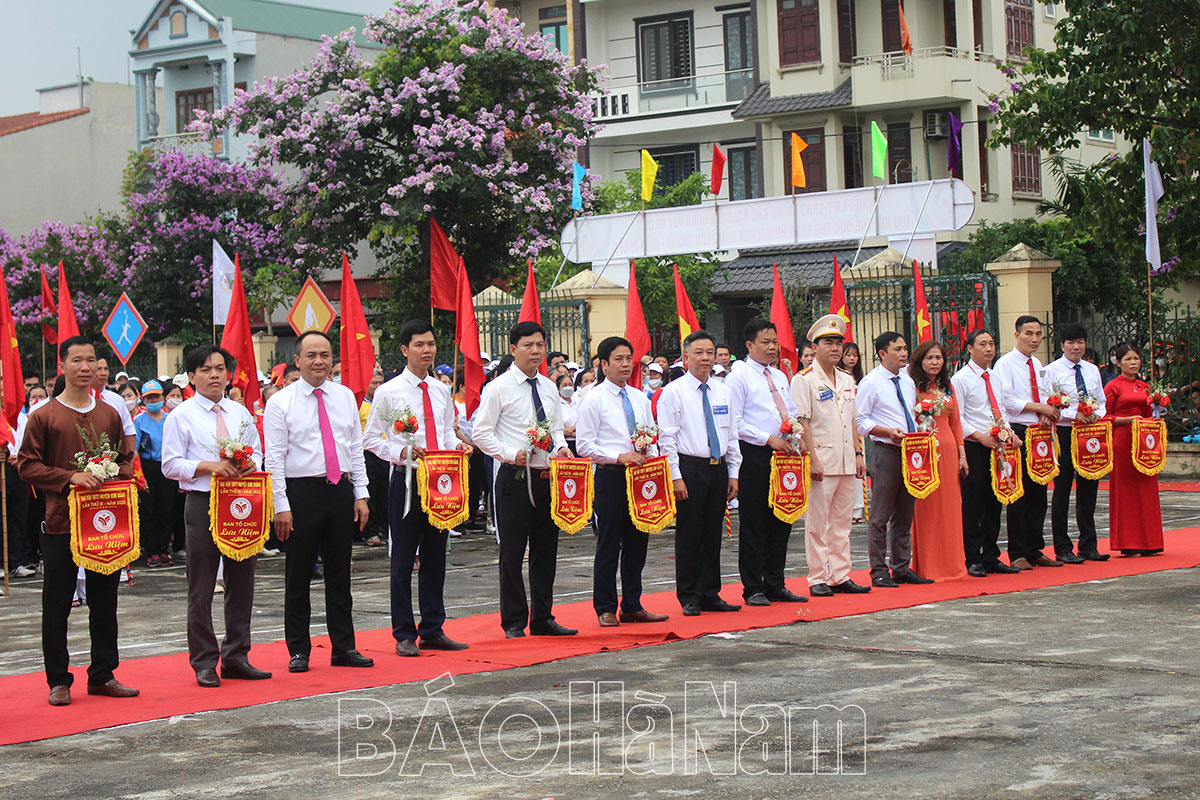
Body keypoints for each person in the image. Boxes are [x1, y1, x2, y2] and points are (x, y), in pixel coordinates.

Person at [18, 336, 138, 706]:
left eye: (91, 360)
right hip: (60, 525)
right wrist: (71, 477)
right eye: (78, 361)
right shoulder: (44, 415)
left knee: (106, 601)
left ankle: (103, 674)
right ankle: (58, 680)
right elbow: (27, 465)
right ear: (63, 366)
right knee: (57, 603)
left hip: (105, 524)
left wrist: (114, 473)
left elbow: (126, 457)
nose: (85, 368)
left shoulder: (110, 413)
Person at [264, 330, 374, 672]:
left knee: (340, 574)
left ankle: (344, 647)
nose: (319, 361)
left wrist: (361, 493)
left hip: (339, 491)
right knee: (298, 575)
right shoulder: (280, 402)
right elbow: (275, 459)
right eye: (311, 355)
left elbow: (354, 449)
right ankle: (299, 650)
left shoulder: (343, 397)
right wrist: (281, 505)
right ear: (297, 360)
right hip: (300, 493)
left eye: (325, 355)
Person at [161, 347, 271, 687]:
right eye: (206, 369)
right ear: (192, 377)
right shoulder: (182, 415)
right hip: (203, 501)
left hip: (241, 501)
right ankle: (204, 661)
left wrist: (252, 463)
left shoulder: (239, 412)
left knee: (242, 582)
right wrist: (209, 466)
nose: (214, 375)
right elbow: (170, 464)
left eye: (220, 368)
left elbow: (258, 451)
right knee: (202, 584)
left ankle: (237, 655)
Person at [364, 320, 471, 656]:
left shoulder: (441, 391)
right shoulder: (388, 392)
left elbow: (446, 432)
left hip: (442, 480)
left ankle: (433, 628)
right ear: (404, 350)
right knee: (403, 558)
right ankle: (403, 633)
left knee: (436, 557)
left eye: (431, 344)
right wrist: (401, 451)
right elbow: (370, 439)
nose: (427, 350)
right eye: (420, 345)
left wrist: (457, 445)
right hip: (408, 480)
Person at [472, 321, 577, 638]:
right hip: (515, 477)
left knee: (546, 549)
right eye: (528, 345)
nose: (535, 350)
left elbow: (556, 427)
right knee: (513, 551)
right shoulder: (498, 388)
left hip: (547, 476)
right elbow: (481, 433)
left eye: (540, 345)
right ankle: (514, 620)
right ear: (513, 349)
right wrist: (508, 452)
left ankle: (543, 617)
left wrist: (560, 447)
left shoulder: (547, 386)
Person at [575, 336, 670, 627]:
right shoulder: (594, 399)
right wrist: (619, 457)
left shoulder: (640, 397)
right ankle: (605, 606)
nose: (626, 364)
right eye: (618, 359)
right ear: (603, 364)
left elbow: (651, 434)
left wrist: (652, 458)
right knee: (609, 542)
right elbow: (585, 446)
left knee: (637, 540)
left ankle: (632, 604)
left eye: (629, 358)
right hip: (612, 476)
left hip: (642, 476)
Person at [657, 330, 742, 616]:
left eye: (709, 352)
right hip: (689, 468)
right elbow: (667, 438)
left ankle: (711, 593)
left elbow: (731, 434)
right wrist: (675, 476)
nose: (705, 358)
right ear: (686, 356)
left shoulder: (723, 389)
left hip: (718, 468)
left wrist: (734, 472)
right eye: (699, 353)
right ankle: (689, 595)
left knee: (713, 534)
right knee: (690, 534)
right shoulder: (674, 391)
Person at [725, 319, 808, 606]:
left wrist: (798, 432)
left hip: (786, 453)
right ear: (749, 345)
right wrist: (767, 439)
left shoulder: (780, 375)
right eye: (766, 342)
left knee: (782, 519)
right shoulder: (739, 376)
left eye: (775, 342)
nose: (773, 347)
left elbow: (791, 410)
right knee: (754, 521)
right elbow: (735, 421)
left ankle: (775, 582)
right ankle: (753, 587)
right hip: (756, 453)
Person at [792, 315, 870, 597]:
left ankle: (840, 574)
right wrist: (811, 458)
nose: (835, 348)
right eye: (828, 343)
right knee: (818, 523)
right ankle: (817, 577)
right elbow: (803, 422)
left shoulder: (848, 379)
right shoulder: (804, 380)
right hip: (822, 459)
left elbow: (851, 419)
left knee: (842, 522)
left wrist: (859, 452)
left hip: (847, 458)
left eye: (838, 343)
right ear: (816, 347)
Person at [855, 332, 933, 588]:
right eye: (897, 349)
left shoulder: (907, 380)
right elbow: (861, 421)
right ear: (882, 354)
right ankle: (878, 570)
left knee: (905, 512)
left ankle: (901, 567)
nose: (903, 353)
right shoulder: (871, 382)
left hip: (911, 450)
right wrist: (886, 432)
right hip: (886, 450)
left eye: (904, 348)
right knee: (880, 515)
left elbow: (910, 412)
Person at [951, 330, 1023, 577]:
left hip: (998, 444)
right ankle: (972, 557)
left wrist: (1009, 432)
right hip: (975, 444)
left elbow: (1000, 408)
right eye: (982, 344)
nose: (989, 349)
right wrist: (979, 436)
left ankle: (991, 554)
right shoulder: (961, 379)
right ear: (970, 348)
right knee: (974, 502)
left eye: (992, 343)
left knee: (996, 499)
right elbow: (957, 415)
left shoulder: (995, 377)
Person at [994, 316, 1063, 570]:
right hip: (1019, 431)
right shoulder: (1005, 364)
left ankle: (1035, 548)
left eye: (1038, 334)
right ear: (1016, 334)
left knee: (1039, 494)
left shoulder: (1038, 363)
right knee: (1019, 494)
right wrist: (1038, 407)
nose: (1034, 339)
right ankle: (1017, 551)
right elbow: (1008, 400)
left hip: (1040, 432)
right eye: (1029, 334)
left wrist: (1048, 410)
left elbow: (1046, 394)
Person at [1046, 324, 1110, 563]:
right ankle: (1062, 547)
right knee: (1062, 489)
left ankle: (1088, 544)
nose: (1076, 347)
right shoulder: (1051, 371)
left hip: (1090, 433)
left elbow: (1101, 401)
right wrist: (1075, 414)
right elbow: (1050, 405)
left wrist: (1096, 414)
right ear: (1062, 345)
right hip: (1064, 432)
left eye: (1080, 342)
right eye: (1071, 342)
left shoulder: (1092, 369)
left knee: (1089, 488)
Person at [907, 341, 967, 581]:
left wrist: (963, 455)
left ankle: (952, 564)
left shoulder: (948, 387)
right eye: (929, 358)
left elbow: (956, 423)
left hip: (950, 449)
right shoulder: (912, 387)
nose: (935, 362)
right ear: (920, 361)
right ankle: (928, 565)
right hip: (923, 451)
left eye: (939, 358)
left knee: (951, 508)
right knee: (926, 508)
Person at [1104, 344, 1165, 556]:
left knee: (1146, 487)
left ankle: (1151, 541)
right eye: (1128, 359)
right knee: (1126, 489)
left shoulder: (1145, 386)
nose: (1133, 363)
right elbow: (1104, 417)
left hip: (1144, 441)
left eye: (1136, 359)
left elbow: (1151, 412)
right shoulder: (1113, 386)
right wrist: (1127, 419)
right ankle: (1128, 541)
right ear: (1118, 362)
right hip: (1123, 440)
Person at [133, 381, 177, 567]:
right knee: (148, 511)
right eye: (149, 397)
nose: (154, 400)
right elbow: (135, 451)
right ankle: (151, 551)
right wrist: (140, 476)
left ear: (162, 398)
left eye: (156, 397)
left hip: (166, 466)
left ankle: (163, 549)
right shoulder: (139, 421)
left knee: (166, 509)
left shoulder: (170, 419)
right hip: (147, 466)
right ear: (143, 399)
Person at [360, 371, 389, 547]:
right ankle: (370, 531)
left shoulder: (385, 402)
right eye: (373, 383)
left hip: (385, 452)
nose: (377, 386)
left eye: (380, 382)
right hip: (368, 453)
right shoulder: (360, 405)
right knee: (371, 493)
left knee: (386, 493)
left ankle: (387, 528)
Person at [838, 341, 866, 522]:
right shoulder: (839, 378)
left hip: (857, 430)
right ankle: (847, 510)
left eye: (855, 355)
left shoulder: (862, 380)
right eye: (848, 355)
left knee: (858, 470)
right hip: (842, 430)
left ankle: (858, 509)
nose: (851, 358)